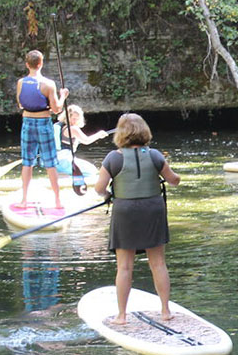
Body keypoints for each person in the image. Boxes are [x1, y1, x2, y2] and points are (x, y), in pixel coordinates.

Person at [94, 113, 181, 325]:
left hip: (125, 211)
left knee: (124, 266)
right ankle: (165, 311)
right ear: (144, 131)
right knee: (158, 263)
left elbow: (99, 188)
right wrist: (172, 176)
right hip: (152, 209)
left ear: (121, 133)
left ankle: (121, 316)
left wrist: (108, 196)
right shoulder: (155, 156)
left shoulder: (113, 158)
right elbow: (174, 181)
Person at [16, 50, 68, 208]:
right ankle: (58, 201)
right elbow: (57, 108)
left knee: (27, 162)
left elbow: (20, 104)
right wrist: (63, 95)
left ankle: (24, 200)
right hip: (43, 123)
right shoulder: (48, 84)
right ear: (41, 64)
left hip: (27, 122)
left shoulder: (21, 82)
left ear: (27, 65)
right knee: (50, 162)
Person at [54, 104, 108, 175]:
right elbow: (86, 141)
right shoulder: (73, 128)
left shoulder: (61, 127)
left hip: (56, 160)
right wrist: (99, 134)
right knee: (92, 171)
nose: (75, 121)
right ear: (67, 117)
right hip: (65, 160)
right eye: (73, 119)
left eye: (77, 119)